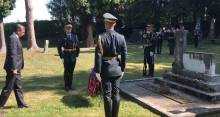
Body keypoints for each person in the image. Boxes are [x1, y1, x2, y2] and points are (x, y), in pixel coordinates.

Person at [95, 13, 127, 117]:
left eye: (105, 23)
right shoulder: (121, 37)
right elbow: (124, 55)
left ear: (106, 24)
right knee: (116, 95)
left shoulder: (101, 37)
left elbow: (98, 56)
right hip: (117, 69)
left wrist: (97, 72)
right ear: (114, 24)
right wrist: (122, 69)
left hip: (106, 70)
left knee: (107, 95)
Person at [0, 24, 28, 108]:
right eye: (23, 32)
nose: (24, 33)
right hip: (13, 68)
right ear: (18, 31)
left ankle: (21, 104)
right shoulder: (13, 38)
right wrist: (14, 68)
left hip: (17, 67)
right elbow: (13, 54)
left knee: (18, 86)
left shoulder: (15, 37)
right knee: (8, 87)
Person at [57, 22, 80, 91]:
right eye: (67, 28)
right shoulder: (62, 37)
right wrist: (61, 56)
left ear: (71, 28)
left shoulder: (74, 36)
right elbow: (59, 47)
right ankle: (66, 86)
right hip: (66, 55)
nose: (69, 29)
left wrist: (77, 55)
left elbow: (77, 46)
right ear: (65, 29)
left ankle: (70, 85)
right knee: (66, 71)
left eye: (70, 28)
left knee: (71, 71)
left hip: (73, 55)